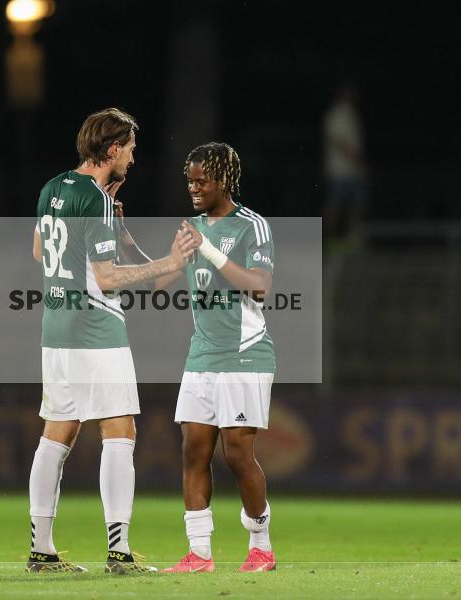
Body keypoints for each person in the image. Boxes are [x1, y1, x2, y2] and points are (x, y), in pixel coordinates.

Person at [27, 108, 197, 574]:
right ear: (114, 148)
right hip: (96, 329)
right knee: (119, 433)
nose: (134, 159)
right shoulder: (96, 199)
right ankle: (119, 553)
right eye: (132, 149)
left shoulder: (53, 187)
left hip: (56, 329)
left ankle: (41, 550)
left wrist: (114, 231)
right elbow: (107, 279)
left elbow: (40, 251)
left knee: (56, 434)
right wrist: (166, 264)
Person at [156, 143, 277, 573]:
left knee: (237, 455)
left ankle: (260, 545)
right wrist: (131, 242)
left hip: (245, 354)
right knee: (193, 451)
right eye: (189, 180)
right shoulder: (194, 227)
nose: (193, 187)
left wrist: (208, 250)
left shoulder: (252, 226)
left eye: (200, 180)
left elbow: (259, 286)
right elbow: (161, 280)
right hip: (202, 356)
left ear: (222, 180)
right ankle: (199, 553)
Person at [323, 82, 367, 242]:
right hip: (339, 170)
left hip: (353, 170)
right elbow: (336, 140)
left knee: (356, 205)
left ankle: (351, 238)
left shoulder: (352, 114)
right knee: (336, 205)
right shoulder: (335, 114)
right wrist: (355, 160)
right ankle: (331, 238)